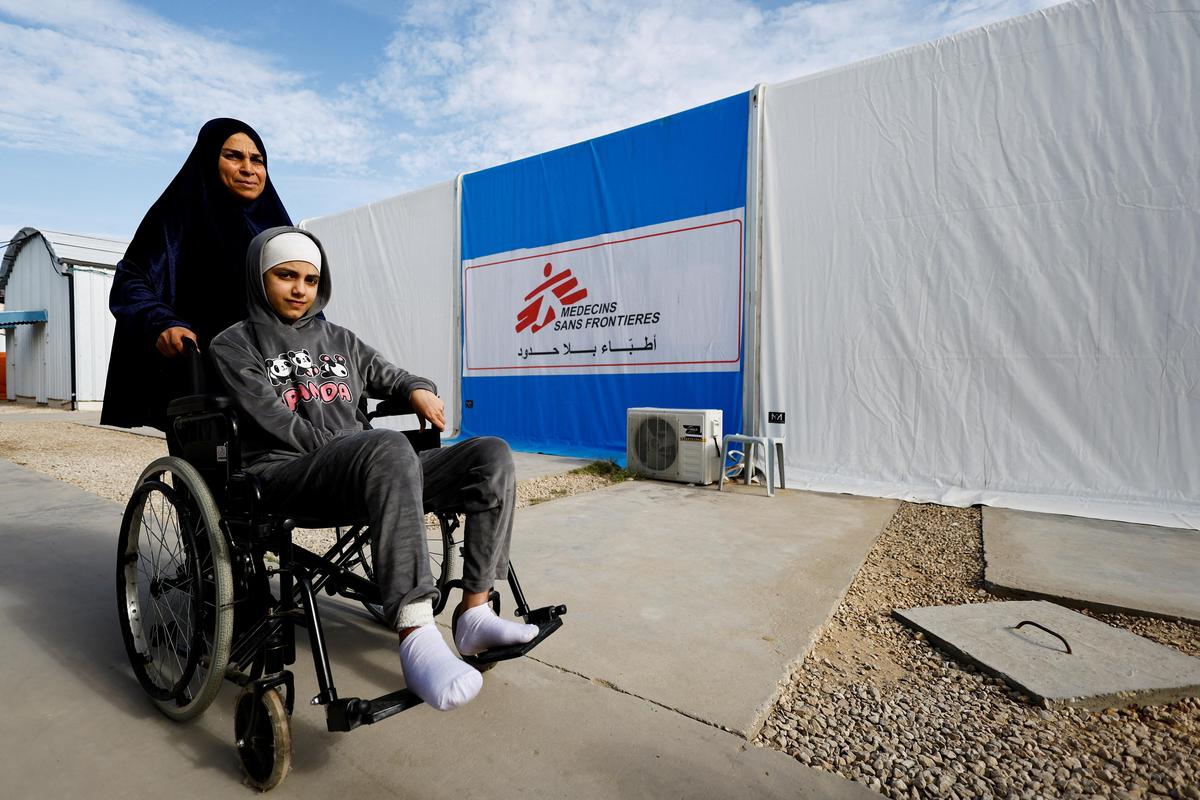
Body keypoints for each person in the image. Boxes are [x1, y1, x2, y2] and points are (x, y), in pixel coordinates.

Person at [209, 226, 538, 711]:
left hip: (368, 465)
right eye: (285, 276)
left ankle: (474, 613)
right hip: (288, 473)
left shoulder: (341, 339)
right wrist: (355, 450)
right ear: (260, 278)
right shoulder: (233, 345)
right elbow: (276, 421)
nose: (300, 288)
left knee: (490, 455)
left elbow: (392, 375)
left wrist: (418, 388)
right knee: (385, 447)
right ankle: (416, 634)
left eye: (310, 278)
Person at [102, 118, 292, 430]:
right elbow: (131, 279)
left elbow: (304, 298)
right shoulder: (176, 217)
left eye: (257, 160)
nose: (248, 168)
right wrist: (162, 322)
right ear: (208, 160)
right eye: (233, 156)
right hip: (206, 374)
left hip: (278, 372)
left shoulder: (279, 231)